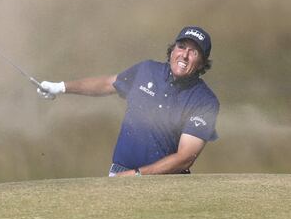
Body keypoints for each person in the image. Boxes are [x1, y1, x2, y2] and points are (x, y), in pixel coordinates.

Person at [37, 26, 219, 177]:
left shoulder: (205, 101)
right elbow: (108, 84)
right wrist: (60, 87)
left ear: (202, 63)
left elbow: (186, 157)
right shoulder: (147, 70)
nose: (184, 55)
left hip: (168, 182)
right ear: (172, 50)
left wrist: (137, 175)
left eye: (193, 52)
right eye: (181, 46)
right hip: (120, 172)